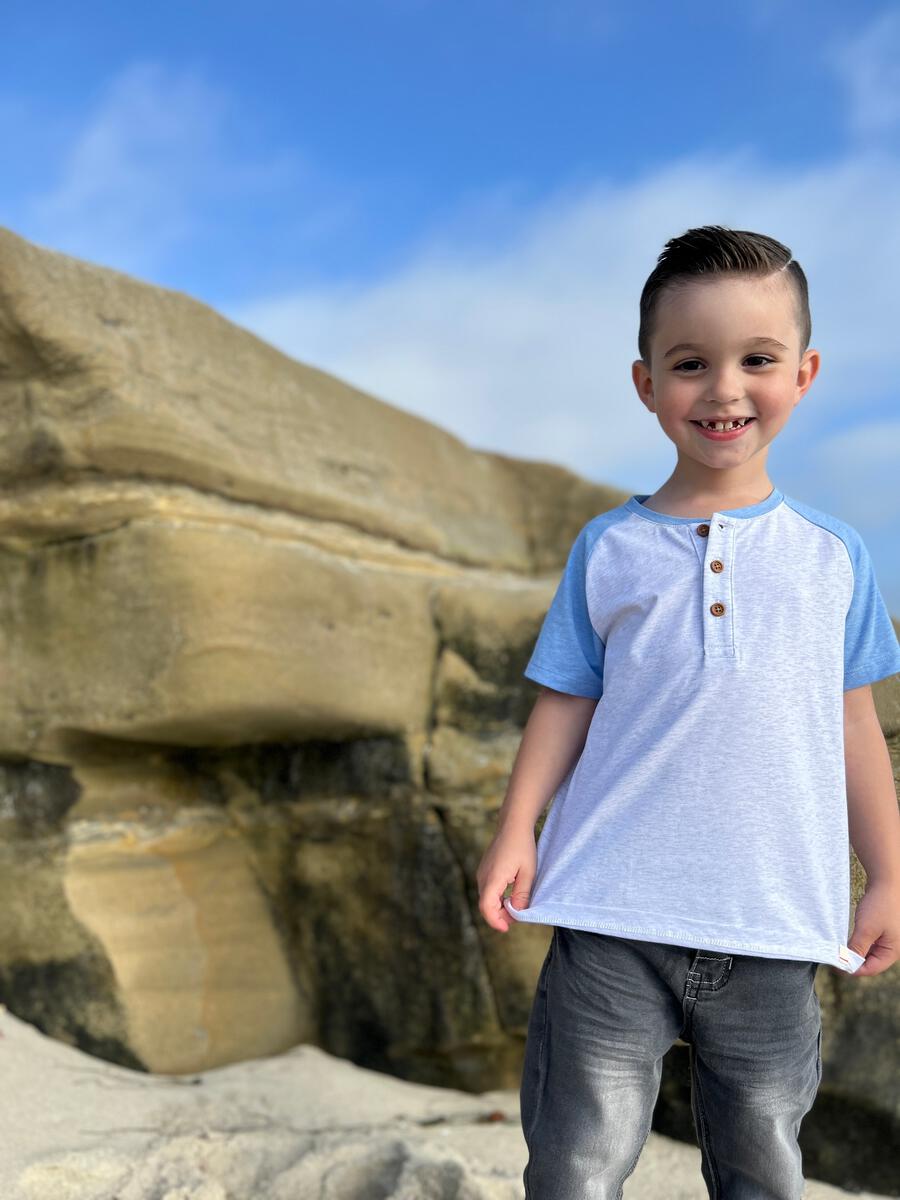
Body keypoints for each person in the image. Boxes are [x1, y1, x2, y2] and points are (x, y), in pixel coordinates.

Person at [475, 225, 900, 1199]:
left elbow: (853, 729)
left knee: (764, 1166)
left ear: (805, 372)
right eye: (689, 363)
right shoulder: (610, 547)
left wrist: (888, 872)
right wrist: (515, 828)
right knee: (576, 1162)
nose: (723, 390)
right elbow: (565, 701)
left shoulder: (835, 558)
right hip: (607, 914)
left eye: (757, 360)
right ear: (645, 382)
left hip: (774, 922)